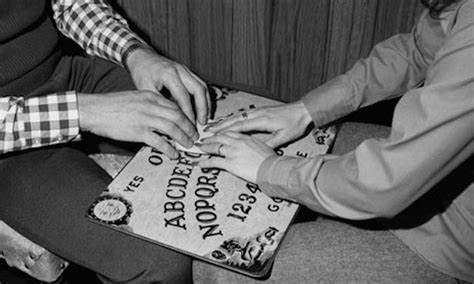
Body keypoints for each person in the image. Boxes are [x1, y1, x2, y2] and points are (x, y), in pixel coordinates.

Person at [197, 0, 473, 282]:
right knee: (292, 154)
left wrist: (269, 169)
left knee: (220, 270)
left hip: (456, 241)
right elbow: (419, 51)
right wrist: (306, 110)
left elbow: (383, 186)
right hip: (434, 176)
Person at [1, 0, 210, 282]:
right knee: (158, 259)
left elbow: (72, 3)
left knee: (207, 128)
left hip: (62, 76)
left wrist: (134, 53)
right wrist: (83, 113)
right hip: (8, 146)